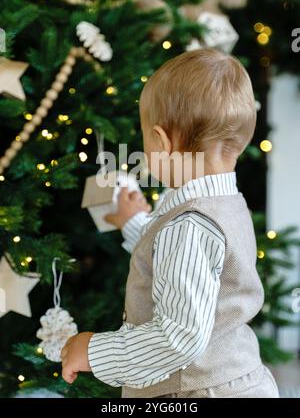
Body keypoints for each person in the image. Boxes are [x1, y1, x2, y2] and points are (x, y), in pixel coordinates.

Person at [61, 48, 279, 398]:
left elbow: (178, 338)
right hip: (236, 377)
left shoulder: (189, 224)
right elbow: (183, 262)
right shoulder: (224, 202)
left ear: (161, 142)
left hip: (192, 391)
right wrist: (135, 223)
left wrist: (94, 352)